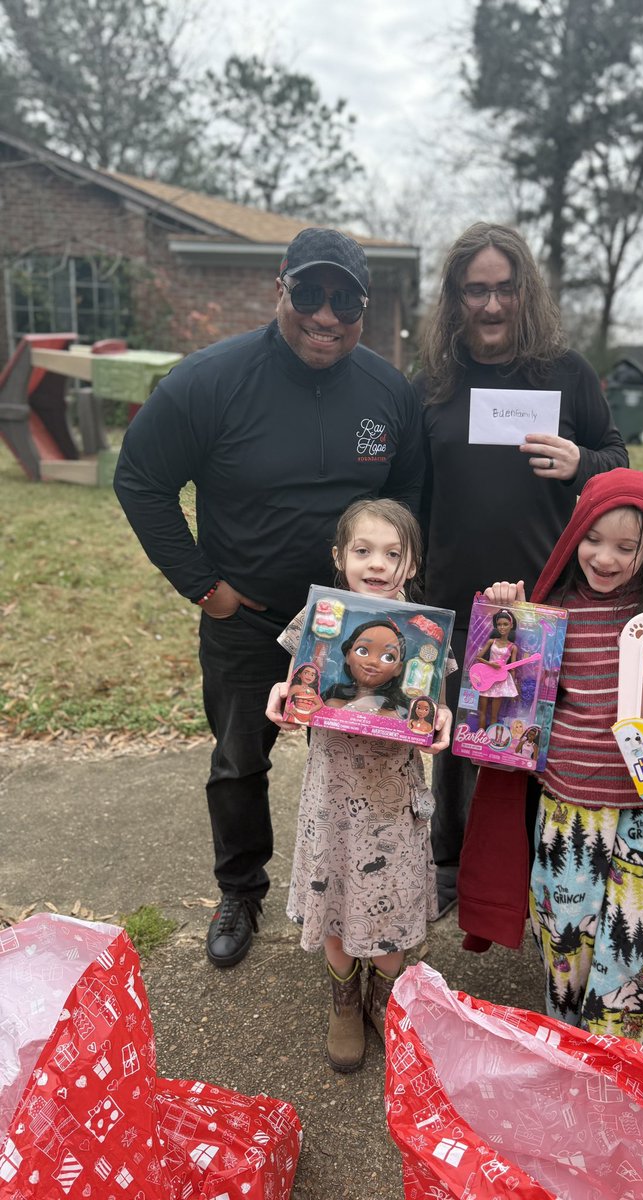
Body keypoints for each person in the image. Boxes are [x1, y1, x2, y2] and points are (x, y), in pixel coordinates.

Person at [114, 227, 424, 969]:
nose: (326, 314)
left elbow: (411, 497)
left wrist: (399, 591)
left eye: (343, 299)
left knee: (364, 772)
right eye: (309, 293)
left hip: (357, 628)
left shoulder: (388, 391)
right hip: (248, 621)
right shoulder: (208, 381)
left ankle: (358, 898)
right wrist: (203, 588)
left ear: (363, 306)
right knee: (239, 761)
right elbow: (141, 481)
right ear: (279, 289)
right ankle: (239, 890)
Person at [458, 468, 643, 1049]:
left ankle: (621, 1059)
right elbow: (498, 683)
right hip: (568, 806)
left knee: (633, 948)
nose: (607, 557)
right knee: (566, 934)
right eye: (594, 540)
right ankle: (567, 1043)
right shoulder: (551, 610)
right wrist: (504, 614)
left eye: (628, 546)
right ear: (573, 537)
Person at [416, 222, 629, 913]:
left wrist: (581, 462)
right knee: (457, 744)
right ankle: (451, 868)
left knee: (544, 743)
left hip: (548, 597)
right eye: (475, 290)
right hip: (457, 594)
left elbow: (618, 464)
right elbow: (415, 490)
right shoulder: (435, 383)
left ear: (525, 292)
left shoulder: (562, 373)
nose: (491, 305)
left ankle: (542, 871)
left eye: (505, 288)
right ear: (455, 297)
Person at [265, 498, 453, 1073]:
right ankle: (345, 1001)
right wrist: (280, 700)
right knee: (338, 888)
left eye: (393, 553)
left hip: (395, 795)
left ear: (412, 562)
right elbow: (298, 684)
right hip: (333, 792)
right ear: (338, 556)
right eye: (363, 550)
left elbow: (432, 703)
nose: (378, 563)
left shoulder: (425, 632)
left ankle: (383, 997)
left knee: (392, 898)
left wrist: (441, 721)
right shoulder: (319, 618)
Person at [321, 618, 409, 715]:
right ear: (348, 655)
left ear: (398, 668)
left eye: (388, 657)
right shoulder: (332, 705)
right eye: (362, 651)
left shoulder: (392, 717)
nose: (373, 661)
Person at [474, 608, 519, 729]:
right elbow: (478, 657)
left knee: (494, 714)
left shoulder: (512, 647)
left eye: (505, 624)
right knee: (482, 711)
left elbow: (513, 668)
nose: (502, 627)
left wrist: (513, 686)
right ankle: (480, 735)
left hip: (500, 680)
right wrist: (491, 664)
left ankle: (490, 737)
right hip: (486, 677)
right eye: (499, 624)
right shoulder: (491, 641)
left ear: (511, 625)